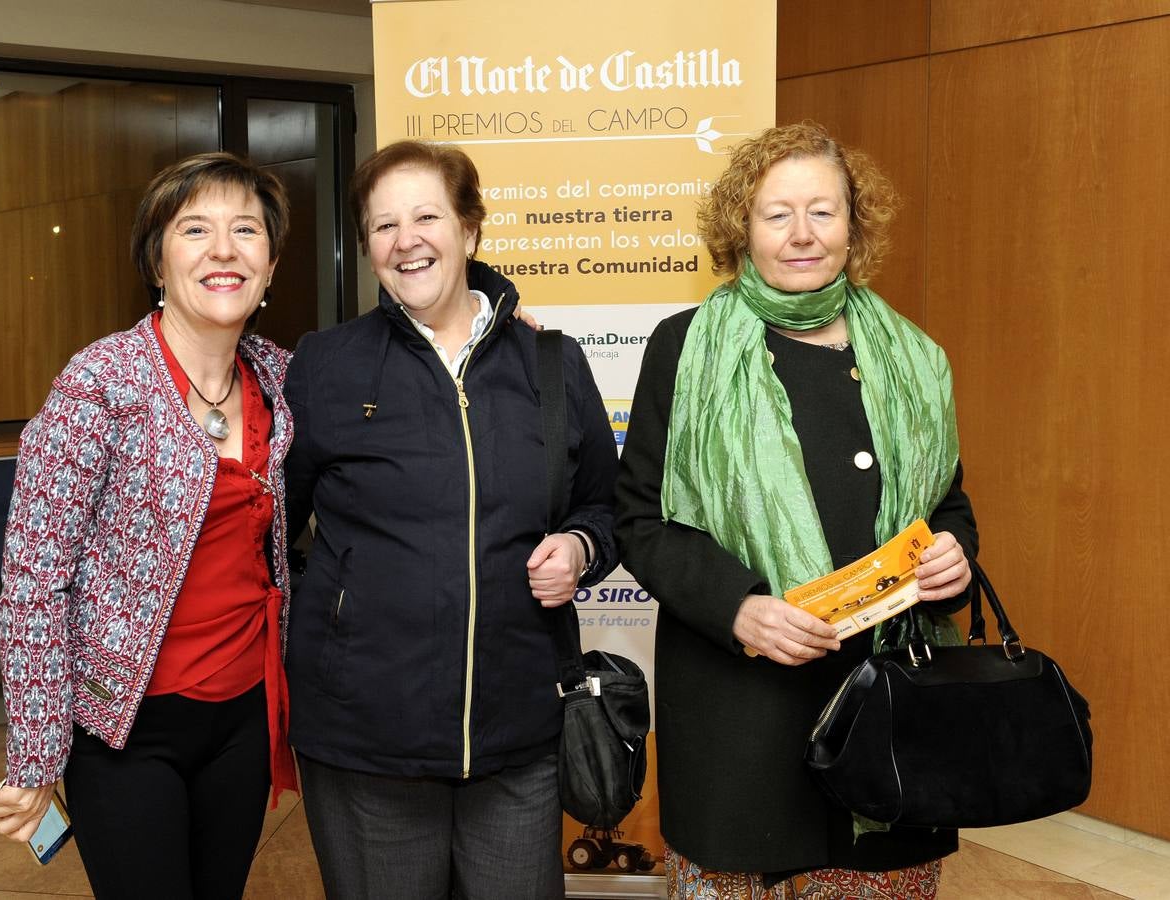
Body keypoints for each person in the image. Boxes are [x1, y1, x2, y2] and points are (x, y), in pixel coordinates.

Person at [614, 122, 979, 899]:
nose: (802, 234)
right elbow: (639, 520)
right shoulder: (684, 348)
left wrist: (953, 555)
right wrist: (737, 608)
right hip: (740, 721)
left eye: (823, 210)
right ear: (740, 230)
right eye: (776, 214)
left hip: (888, 718)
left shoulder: (911, 356)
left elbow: (947, 506)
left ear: (855, 223)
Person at [283, 140, 618, 900]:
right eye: (382, 225)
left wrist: (577, 545)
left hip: (518, 733)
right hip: (366, 738)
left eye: (427, 215)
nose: (407, 240)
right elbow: (275, 530)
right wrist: (340, 615)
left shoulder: (551, 363)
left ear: (469, 230)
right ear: (367, 248)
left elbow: (605, 505)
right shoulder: (324, 366)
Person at [0, 152, 298, 899]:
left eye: (245, 230)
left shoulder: (286, 377)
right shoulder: (97, 385)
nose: (223, 250)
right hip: (125, 730)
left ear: (271, 264)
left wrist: (488, 308)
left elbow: (401, 358)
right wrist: (33, 760)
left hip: (246, 719)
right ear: (158, 262)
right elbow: (33, 583)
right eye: (195, 229)